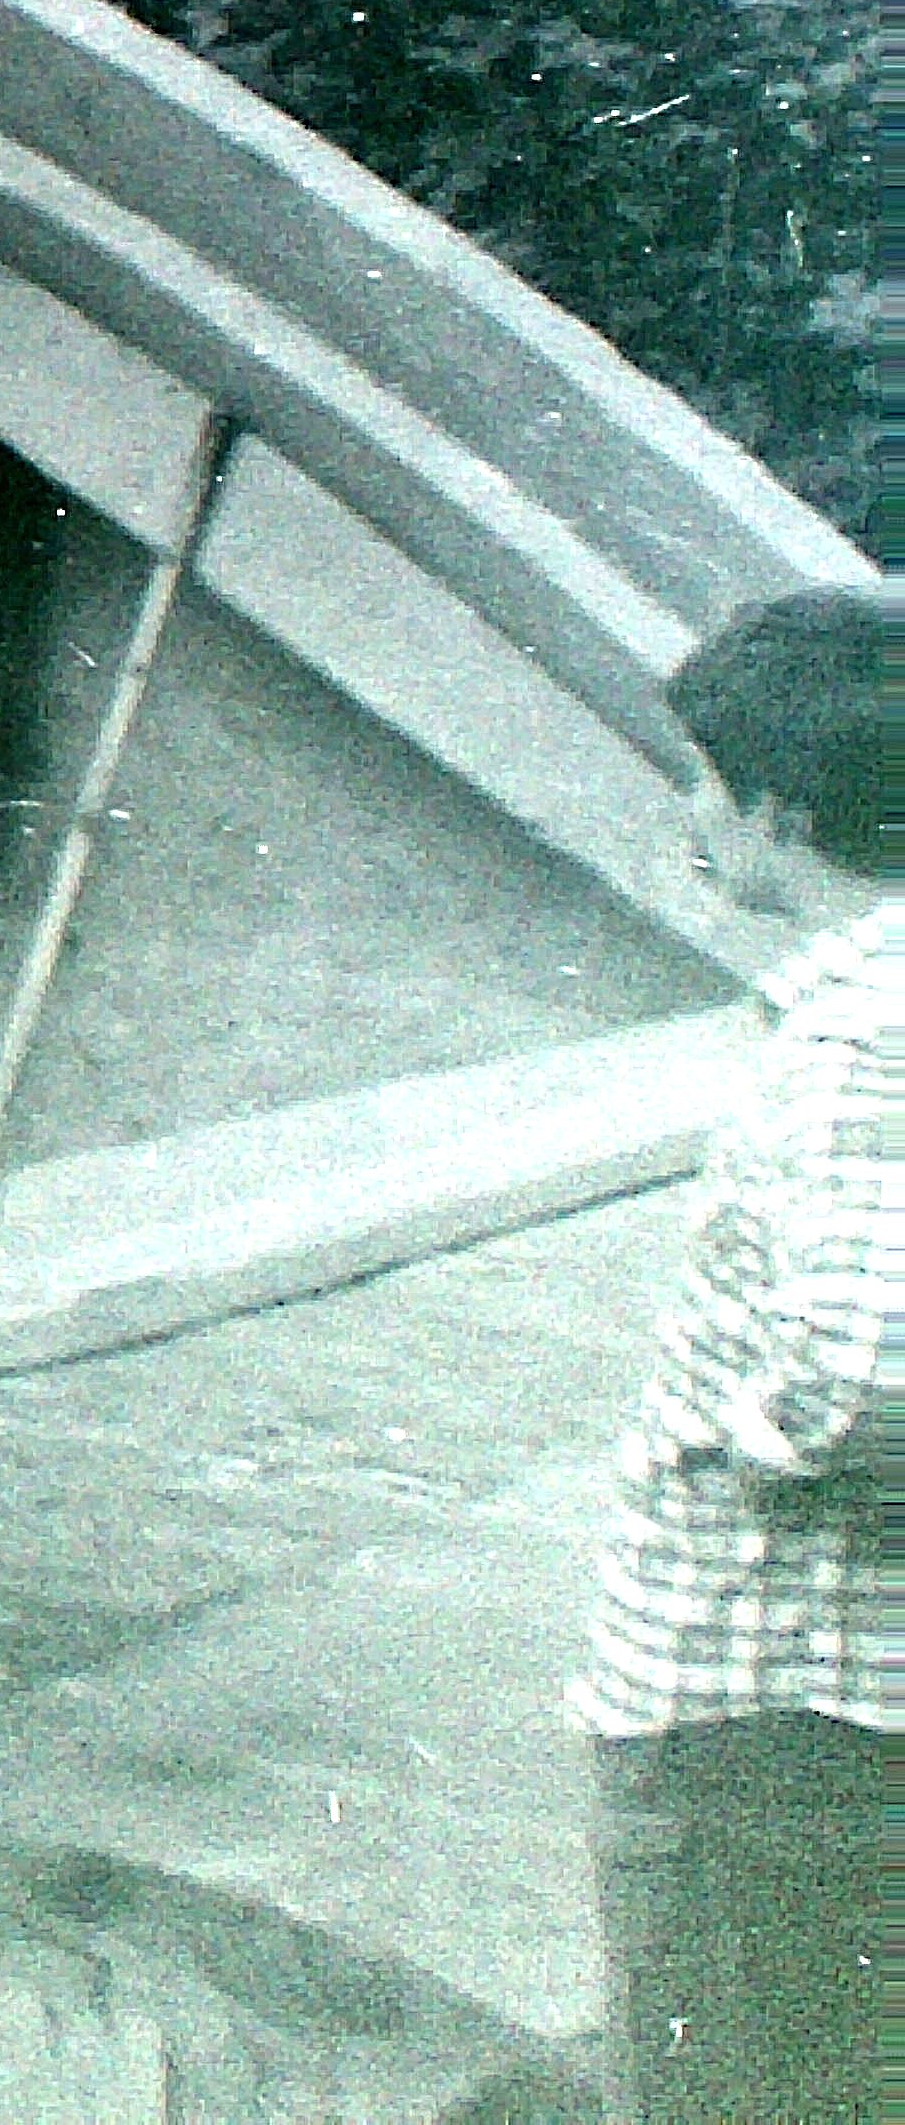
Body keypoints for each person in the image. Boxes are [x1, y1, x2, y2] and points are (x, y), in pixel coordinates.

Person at [569, 581, 891, 2121]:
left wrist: (737, 1458)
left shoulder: (861, 1039)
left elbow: (875, 1380)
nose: (692, 814)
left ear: (781, 815)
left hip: (770, 1726)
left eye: (706, 780)